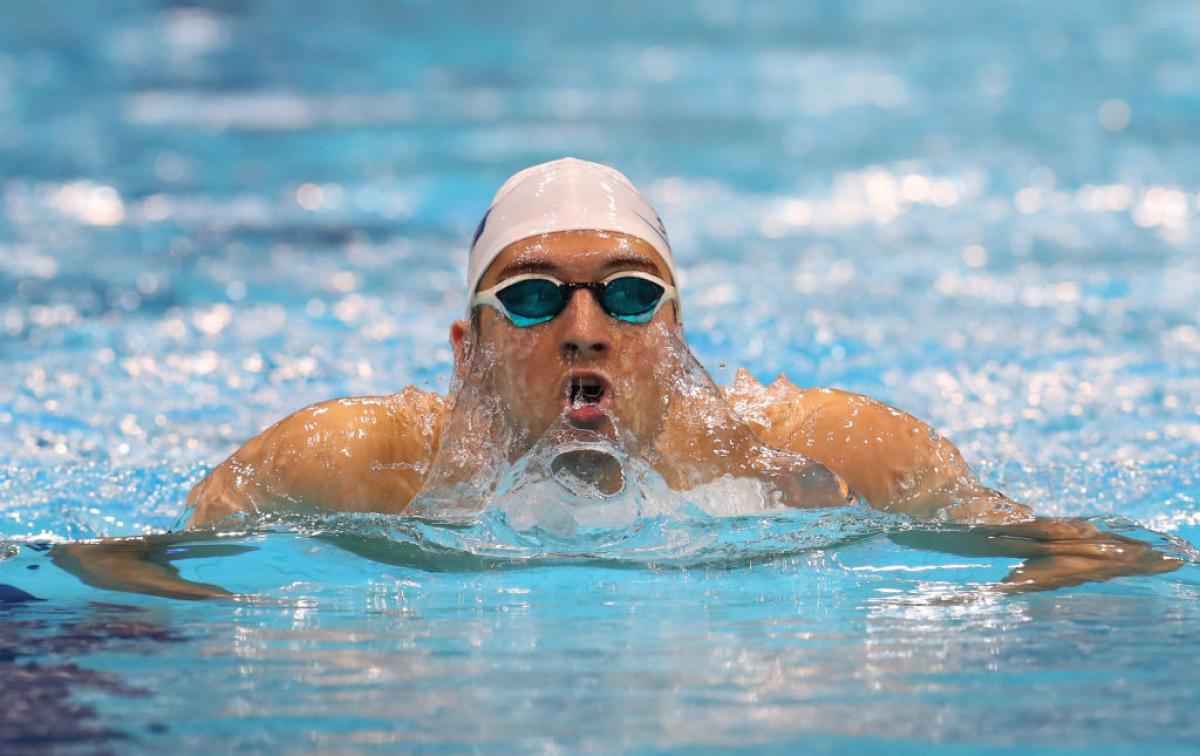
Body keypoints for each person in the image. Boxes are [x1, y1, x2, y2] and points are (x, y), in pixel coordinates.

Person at [57, 158, 1178, 597]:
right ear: (468, 350)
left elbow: (1113, 553)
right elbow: (101, 564)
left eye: (629, 295)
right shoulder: (345, 463)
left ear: (678, 333)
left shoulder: (829, 454)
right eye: (534, 298)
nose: (585, 328)